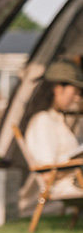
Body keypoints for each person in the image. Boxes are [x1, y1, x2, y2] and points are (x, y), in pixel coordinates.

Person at [23, 59, 83, 198]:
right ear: (58, 88)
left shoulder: (57, 120)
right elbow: (47, 174)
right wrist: (76, 164)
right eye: (74, 92)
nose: (76, 99)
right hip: (66, 187)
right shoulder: (42, 121)